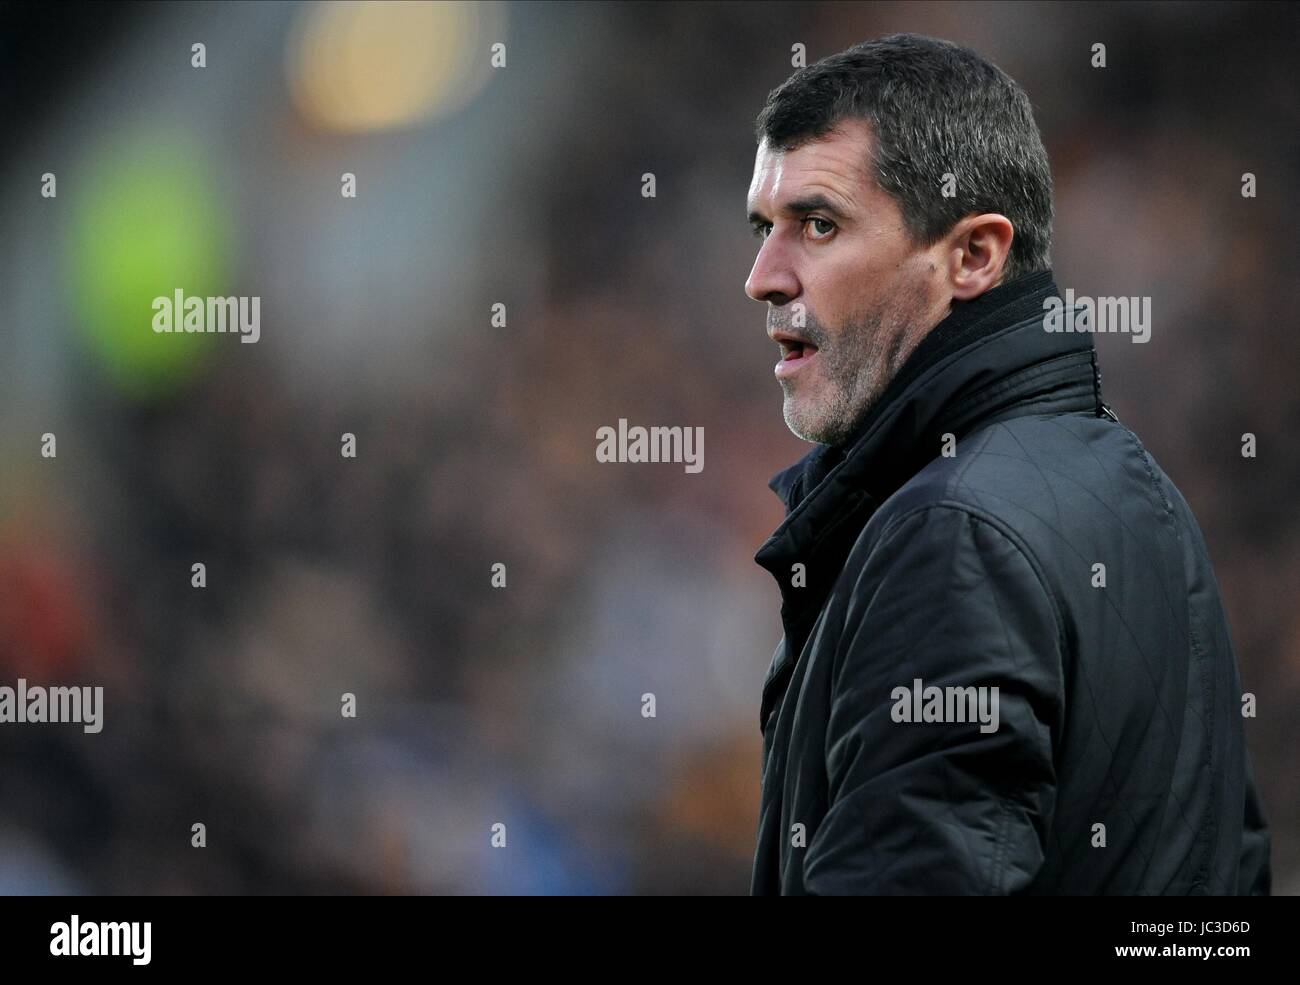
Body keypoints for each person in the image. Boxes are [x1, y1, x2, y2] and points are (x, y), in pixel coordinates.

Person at [743, 33, 1271, 894]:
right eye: (767, 228)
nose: (762, 277)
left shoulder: (952, 535)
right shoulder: (1142, 493)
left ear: (974, 256)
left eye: (819, 224)